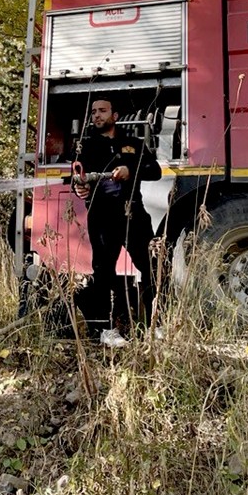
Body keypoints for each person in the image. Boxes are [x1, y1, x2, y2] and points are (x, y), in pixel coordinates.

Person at [72, 97, 162, 347]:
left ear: (115, 115)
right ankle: (106, 331)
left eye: (102, 111)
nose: (97, 115)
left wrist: (130, 171)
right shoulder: (86, 146)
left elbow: (155, 171)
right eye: (93, 112)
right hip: (101, 216)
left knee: (151, 266)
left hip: (133, 213)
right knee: (103, 271)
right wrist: (79, 188)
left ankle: (157, 324)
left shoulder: (133, 143)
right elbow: (75, 178)